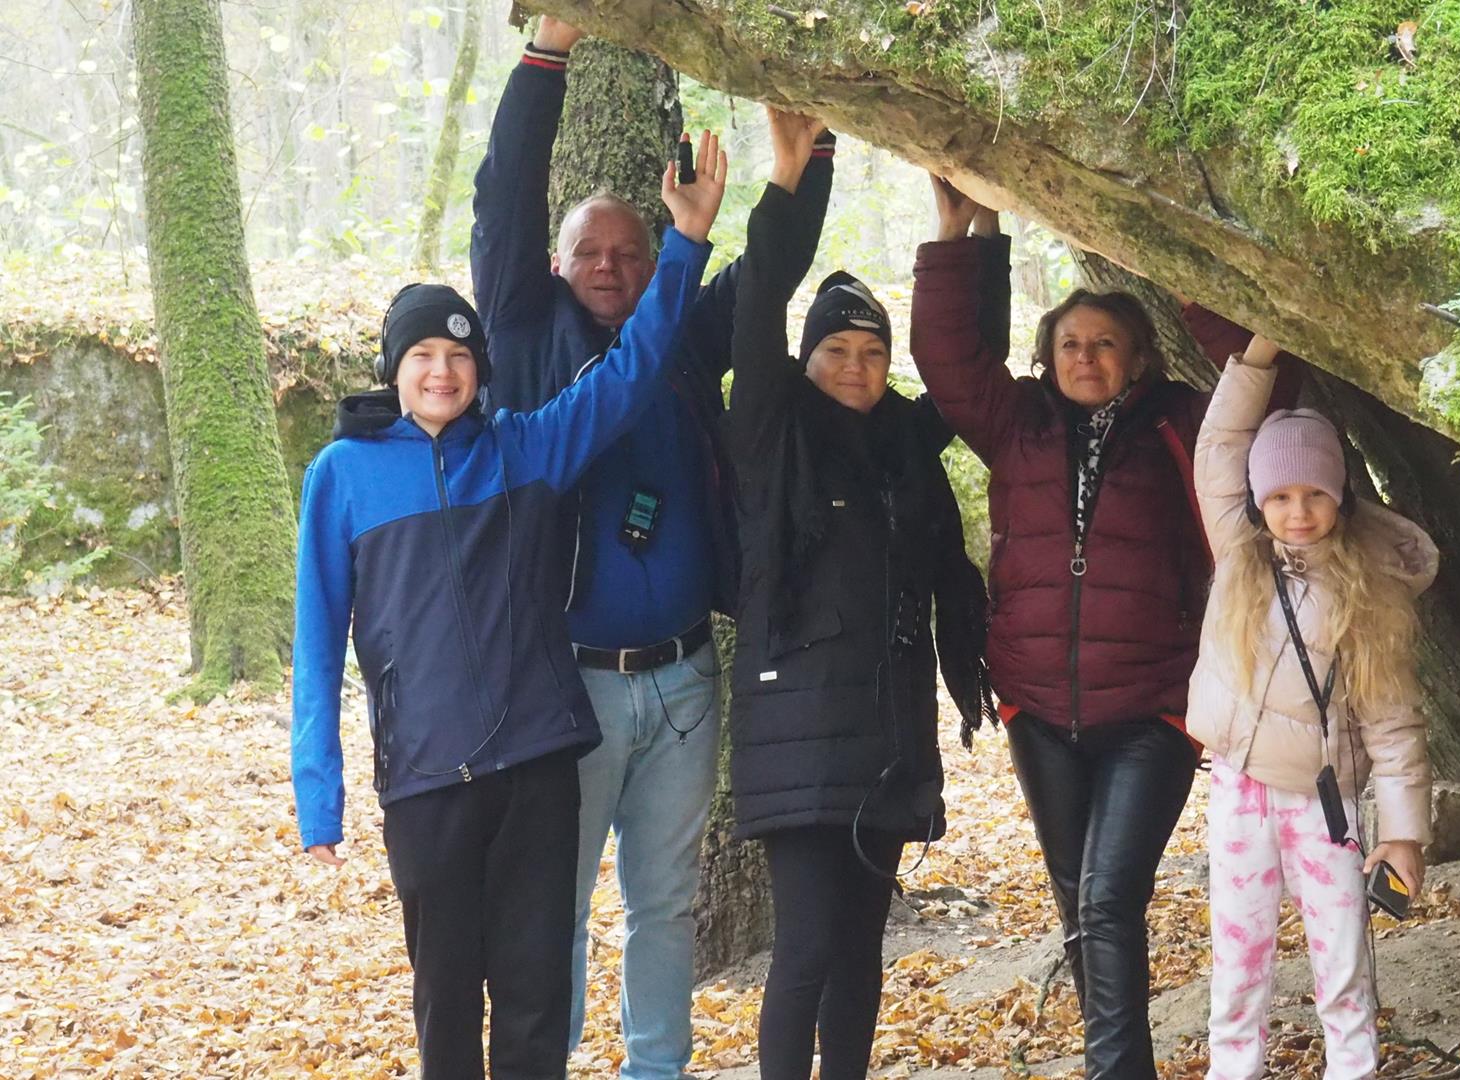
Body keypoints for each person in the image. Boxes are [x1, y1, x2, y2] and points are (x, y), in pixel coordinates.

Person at [291, 138, 725, 1079]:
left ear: (482, 369)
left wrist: (686, 243)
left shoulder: (523, 451)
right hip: (427, 779)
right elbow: (317, 645)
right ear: (393, 367)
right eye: (423, 356)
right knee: (448, 1002)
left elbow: (629, 372)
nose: (442, 373)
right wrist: (318, 800)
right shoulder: (343, 475)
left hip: (536, 766)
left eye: (459, 356)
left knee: (533, 1004)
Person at [469, 18, 835, 1076]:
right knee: (555, 905)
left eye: (631, 252)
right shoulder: (523, 328)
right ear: (555, 262)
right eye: (590, 251)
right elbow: (504, 195)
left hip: (682, 679)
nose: (610, 266)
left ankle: (657, 1069)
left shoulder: (677, 332)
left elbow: (770, 274)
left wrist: (803, 164)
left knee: (665, 905)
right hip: (568, 684)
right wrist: (548, 51)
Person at [910, 178, 1301, 1079]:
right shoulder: (1017, 423)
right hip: (1038, 707)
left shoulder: (1183, 423)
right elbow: (946, 355)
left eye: (1105, 344)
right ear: (1048, 356)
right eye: (1071, 344)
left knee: (1107, 897)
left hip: (1152, 708)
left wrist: (1192, 282)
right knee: (1078, 901)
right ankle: (1115, 1058)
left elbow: (1273, 397)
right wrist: (952, 234)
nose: (1086, 358)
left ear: (1139, 356)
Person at [725, 117, 992, 1080]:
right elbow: (757, 304)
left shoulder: (902, 447)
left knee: (860, 950)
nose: (855, 366)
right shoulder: (772, 433)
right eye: (836, 348)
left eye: (872, 351)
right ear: (805, 361)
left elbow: (966, 371)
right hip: (796, 733)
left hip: (886, 732)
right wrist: (786, 182)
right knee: (804, 947)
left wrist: (963, 241)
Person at [1186, 332, 1435, 1080]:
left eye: (1315, 494)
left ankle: (1352, 1068)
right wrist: (1259, 355)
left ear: (1339, 496)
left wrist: (1404, 835)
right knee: (1238, 959)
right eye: (1281, 497)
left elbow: (1393, 723)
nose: (1298, 512)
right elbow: (1218, 448)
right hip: (1240, 787)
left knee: (1342, 959)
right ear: (1259, 501)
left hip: (1325, 800)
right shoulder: (1239, 553)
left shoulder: (1369, 591)